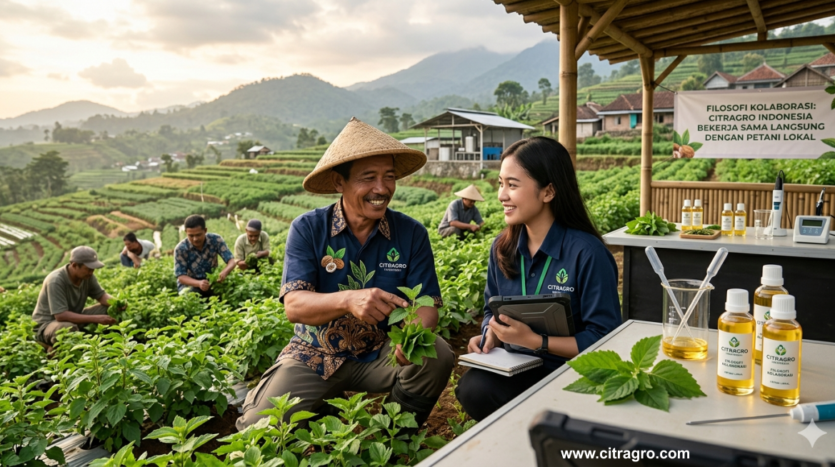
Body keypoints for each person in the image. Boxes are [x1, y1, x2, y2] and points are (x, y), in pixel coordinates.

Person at [237, 117, 454, 431]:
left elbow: (426, 304)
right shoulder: (309, 228)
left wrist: (411, 337)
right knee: (258, 428)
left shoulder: (411, 234)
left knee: (437, 354)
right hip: (315, 353)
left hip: (382, 350)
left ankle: (393, 434)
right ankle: (322, 409)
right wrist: (349, 300)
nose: (381, 189)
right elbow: (294, 305)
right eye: (368, 177)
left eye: (389, 177)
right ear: (340, 183)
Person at [455, 137, 622, 421]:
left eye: (513, 185)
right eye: (500, 183)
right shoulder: (501, 248)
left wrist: (537, 341)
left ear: (548, 191)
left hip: (573, 371)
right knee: (474, 388)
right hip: (516, 366)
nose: (501, 195)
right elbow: (489, 310)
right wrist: (490, 334)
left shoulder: (587, 253)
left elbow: (604, 338)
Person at [32, 246, 119, 352]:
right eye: (88, 269)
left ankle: (104, 345)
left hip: (73, 319)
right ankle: (53, 349)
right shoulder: (56, 280)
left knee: (108, 309)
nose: (91, 272)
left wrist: (117, 303)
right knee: (67, 328)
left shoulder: (88, 277)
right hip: (48, 325)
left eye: (93, 269)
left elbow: (101, 296)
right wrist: (97, 318)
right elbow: (61, 315)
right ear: (74, 265)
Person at [174, 215, 236, 298]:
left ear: (205, 230)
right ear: (186, 232)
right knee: (190, 299)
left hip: (212, 281)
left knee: (231, 293)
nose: (195, 239)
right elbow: (181, 277)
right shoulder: (181, 249)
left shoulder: (216, 240)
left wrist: (225, 272)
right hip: (190, 283)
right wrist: (198, 283)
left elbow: (231, 261)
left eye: (198, 235)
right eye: (191, 236)